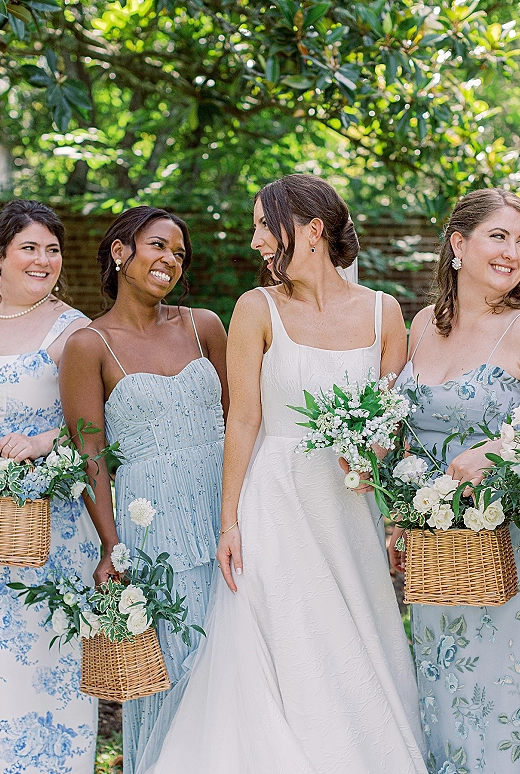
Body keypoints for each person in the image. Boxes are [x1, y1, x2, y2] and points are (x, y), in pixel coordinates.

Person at [137, 174, 427, 774]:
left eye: (265, 228)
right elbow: (242, 419)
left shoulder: (384, 312)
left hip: (351, 503)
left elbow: (395, 424)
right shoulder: (255, 308)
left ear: (312, 230)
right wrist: (229, 522)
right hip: (274, 501)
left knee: (352, 639)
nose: (255, 242)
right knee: (287, 640)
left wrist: (384, 483)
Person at [390, 188, 520, 772]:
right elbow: (407, 432)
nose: (512, 252)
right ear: (457, 245)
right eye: (499, 236)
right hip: (443, 557)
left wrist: (493, 453)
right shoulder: (421, 325)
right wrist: (398, 513)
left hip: (513, 551)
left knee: (509, 705)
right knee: (446, 694)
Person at [59, 205, 228, 774]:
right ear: (120, 252)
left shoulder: (204, 326)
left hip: (221, 522)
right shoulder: (88, 346)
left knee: (230, 676)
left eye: (179, 254)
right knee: (170, 682)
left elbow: (239, 420)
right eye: (158, 246)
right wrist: (111, 546)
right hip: (151, 536)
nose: (170, 261)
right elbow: (91, 456)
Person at [0, 200, 99, 773]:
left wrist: (41, 440)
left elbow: (96, 416)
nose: (42, 260)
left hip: (50, 528)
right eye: (28, 248)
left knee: (43, 662)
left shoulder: (73, 329)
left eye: (52, 249)